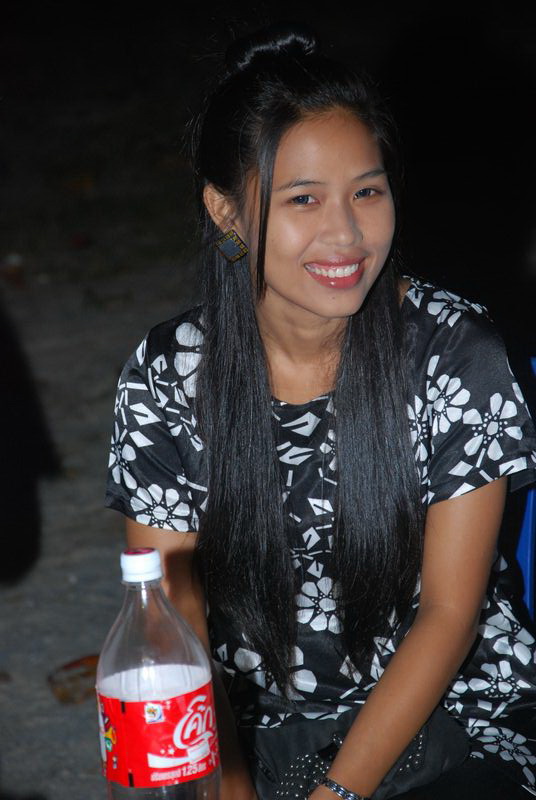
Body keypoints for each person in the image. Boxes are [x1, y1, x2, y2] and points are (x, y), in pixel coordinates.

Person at [105, 23, 536, 800]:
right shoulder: (170, 375)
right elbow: (174, 617)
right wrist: (232, 787)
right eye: (303, 199)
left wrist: (337, 795)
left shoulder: (452, 353)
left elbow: (449, 614)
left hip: (456, 714)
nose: (346, 234)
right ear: (226, 212)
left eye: (367, 191)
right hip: (255, 729)